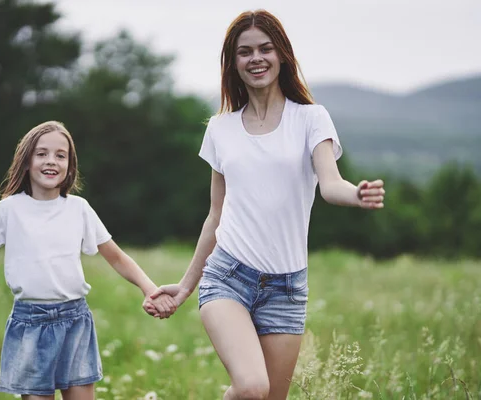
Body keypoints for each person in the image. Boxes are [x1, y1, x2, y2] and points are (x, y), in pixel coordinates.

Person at [146, 10, 385, 400]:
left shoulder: (311, 118)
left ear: (282, 55)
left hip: (287, 288)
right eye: (245, 52)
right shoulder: (220, 129)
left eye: (265, 48)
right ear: (233, 63)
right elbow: (215, 215)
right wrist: (187, 286)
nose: (255, 58)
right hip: (228, 277)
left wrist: (357, 194)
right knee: (252, 386)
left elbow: (331, 184)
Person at [0, 121, 176, 400]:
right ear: (26, 162)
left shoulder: (79, 209)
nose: (51, 161)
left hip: (75, 321)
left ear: (69, 166)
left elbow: (117, 257)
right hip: (29, 325)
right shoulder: (7, 211)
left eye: (60, 155)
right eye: (42, 154)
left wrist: (150, 288)